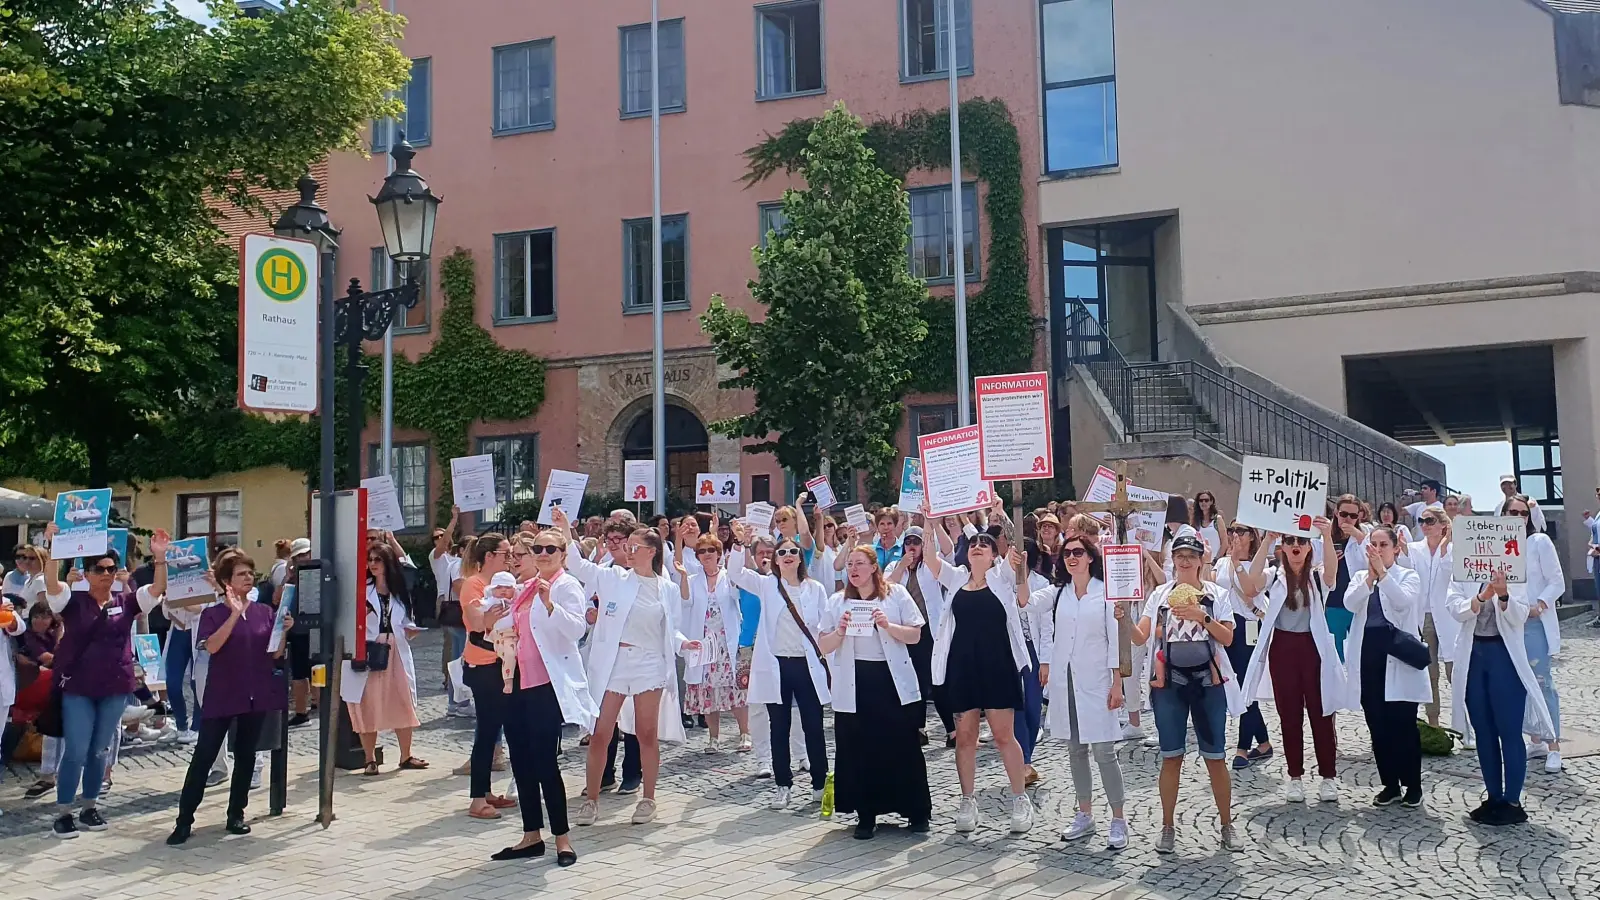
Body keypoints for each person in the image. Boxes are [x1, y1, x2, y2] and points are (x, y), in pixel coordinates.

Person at [560, 510, 698, 826]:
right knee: (600, 732)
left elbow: (671, 629)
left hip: (649, 663)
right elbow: (579, 566)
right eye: (628, 546)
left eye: (635, 546)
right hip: (614, 663)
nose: (628, 551)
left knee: (646, 733)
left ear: (651, 551)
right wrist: (566, 531)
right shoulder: (612, 578)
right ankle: (591, 801)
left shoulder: (667, 588)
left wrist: (684, 644)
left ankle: (648, 798)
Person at [41, 524, 169, 838]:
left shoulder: (125, 602)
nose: (107, 574)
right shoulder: (73, 601)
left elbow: (155, 591)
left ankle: (90, 806)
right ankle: (64, 811)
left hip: (114, 686)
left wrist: (160, 558)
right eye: (100, 569)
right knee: (76, 749)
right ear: (86, 573)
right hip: (79, 688)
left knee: (100, 750)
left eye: (112, 569)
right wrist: (54, 545)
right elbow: (51, 584)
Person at [487, 528, 596, 866]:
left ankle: (562, 838)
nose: (543, 553)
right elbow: (504, 627)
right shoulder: (525, 589)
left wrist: (550, 604)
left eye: (551, 548)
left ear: (563, 553)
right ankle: (531, 834)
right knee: (520, 760)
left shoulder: (565, 586)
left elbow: (577, 630)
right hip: (514, 682)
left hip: (547, 684)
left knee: (546, 762)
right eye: (538, 548)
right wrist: (491, 618)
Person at [1131, 532, 1243, 853]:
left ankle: (1226, 824)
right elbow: (1141, 637)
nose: (1184, 560)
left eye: (1191, 556)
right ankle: (1167, 826)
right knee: (1171, 756)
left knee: (1215, 757)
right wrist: (1124, 618)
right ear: (1173, 560)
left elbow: (1228, 637)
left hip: (1208, 682)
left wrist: (1201, 616)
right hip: (1170, 683)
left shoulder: (1216, 594)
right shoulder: (1160, 594)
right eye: (1179, 555)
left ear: (1200, 560)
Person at [167, 552, 289, 845]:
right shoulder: (213, 613)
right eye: (241, 574)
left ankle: (236, 814)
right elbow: (213, 646)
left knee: (246, 755)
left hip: (256, 692)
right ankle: (184, 820)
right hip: (223, 692)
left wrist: (284, 632)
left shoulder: (264, 612)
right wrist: (234, 613)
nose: (248, 578)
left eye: (250, 573)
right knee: (204, 756)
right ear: (226, 582)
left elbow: (275, 654)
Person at [922, 519, 1034, 835]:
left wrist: (1002, 516)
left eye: (985, 543)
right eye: (974, 543)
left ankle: (1019, 799)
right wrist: (930, 524)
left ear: (993, 553)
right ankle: (968, 800)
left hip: (998, 666)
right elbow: (931, 560)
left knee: (1003, 736)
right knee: (965, 737)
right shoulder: (957, 578)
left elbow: (1018, 549)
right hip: (963, 668)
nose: (978, 546)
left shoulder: (1002, 576)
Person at [817, 547, 931, 839]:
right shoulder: (837, 601)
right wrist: (840, 632)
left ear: (873, 567)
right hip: (855, 681)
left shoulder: (894, 594)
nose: (854, 569)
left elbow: (916, 634)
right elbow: (824, 645)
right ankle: (865, 814)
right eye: (850, 564)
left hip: (890, 680)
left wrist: (887, 625)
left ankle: (914, 811)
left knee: (901, 744)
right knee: (858, 748)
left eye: (860, 564)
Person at [1241, 523, 1347, 803]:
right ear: (1283, 548)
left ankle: (1328, 777)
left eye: (1301, 541)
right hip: (1283, 648)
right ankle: (1295, 776)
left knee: (1321, 714)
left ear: (1309, 546)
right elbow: (1251, 583)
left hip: (1314, 648)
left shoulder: (1316, 577)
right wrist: (1267, 539)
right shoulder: (1274, 575)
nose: (1296, 546)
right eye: (1289, 541)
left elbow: (1332, 574)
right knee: (1289, 716)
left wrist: (1325, 534)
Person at [728, 525, 832, 810]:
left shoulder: (815, 589)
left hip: (807, 666)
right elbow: (736, 574)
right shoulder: (766, 584)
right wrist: (739, 543)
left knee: (813, 725)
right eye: (781, 552)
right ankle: (783, 785)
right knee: (779, 727)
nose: (787, 556)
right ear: (774, 559)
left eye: (792, 552)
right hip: (777, 666)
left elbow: (825, 627)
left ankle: (819, 783)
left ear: (800, 558)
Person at [1037, 536, 1129, 850]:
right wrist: (1017, 570)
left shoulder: (1104, 594)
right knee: (1075, 750)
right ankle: (1085, 813)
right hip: (1067, 682)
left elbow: (1115, 639)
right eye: (1067, 554)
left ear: (1090, 557)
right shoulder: (1058, 593)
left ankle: (1118, 818)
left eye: (1078, 552)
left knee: (1104, 751)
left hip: (1097, 681)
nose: (1072, 558)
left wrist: (1117, 682)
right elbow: (1026, 603)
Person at [1328, 520, 1427, 809]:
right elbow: (1349, 603)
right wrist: (1370, 578)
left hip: (1398, 654)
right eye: (1375, 545)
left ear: (1396, 549)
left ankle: (1413, 784)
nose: (1379, 550)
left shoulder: (1408, 575)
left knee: (1403, 724)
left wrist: (1383, 574)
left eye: (1385, 545)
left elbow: (1402, 603)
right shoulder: (1361, 576)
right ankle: (1390, 784)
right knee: (1377, 723)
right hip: (1369, 654)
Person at [1447, 568, 1556, 826]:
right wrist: (1482, 597)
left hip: (1504, 656)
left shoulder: (1514, 570)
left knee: (1509, 729)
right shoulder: (1462, 569)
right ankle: (1494, 796)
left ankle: (1512, 800)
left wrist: (1504, 595)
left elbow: (1520, 615)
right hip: (1474, 655)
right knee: (1483, 729)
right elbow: (1455, 608)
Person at [349, 543, 427, 776]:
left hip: (397, 648)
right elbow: (351, 619)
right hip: (371, 648)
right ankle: (370, 759)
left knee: (403, 699)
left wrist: (410, 629)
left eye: (377, 560)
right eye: (370, 560)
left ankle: (406, 755)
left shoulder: (400, 590)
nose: (372, 564)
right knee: (367, 702)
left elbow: (405, 618)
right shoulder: (363, 589)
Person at [459, 534, 518, 819]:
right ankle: (476, 799)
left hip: (497, 663)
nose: (510, 558)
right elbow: (476, 623)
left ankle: (484, 793)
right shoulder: (475, 584)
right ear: (489, 556)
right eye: (505, 553)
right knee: (487, 732)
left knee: (492, 730)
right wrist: (492, 618)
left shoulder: (503, 584)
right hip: (483, 665)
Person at [1505, 495, 1565, 773]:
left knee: (1541, 681)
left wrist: (1539, 605)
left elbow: (1557, 581)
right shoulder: (1498, 547)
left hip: (1532, 622)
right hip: (1507, 623)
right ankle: (1536, 739)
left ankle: (1554, 744)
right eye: (1512, 513)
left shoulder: (1539, 542)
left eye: (1522, 513)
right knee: (1517, 685)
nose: (1518, 518)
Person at [676, 535, 748, 752]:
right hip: (705, 645)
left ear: (718, 553)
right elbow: (685, 602)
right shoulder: (693, 579)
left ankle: (745, 733)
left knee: (735, 690)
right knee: (707, 692)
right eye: (702, 551)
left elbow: (738, 596)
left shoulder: (729, 577)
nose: (706, 555)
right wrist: (682, 576)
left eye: (710, 550)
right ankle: (713, 737)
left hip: (728, 643)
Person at [886, 525, 954, 746]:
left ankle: (951, 730)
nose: (912, 547)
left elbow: (948, 549)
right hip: (908, 632)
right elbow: (885, 589)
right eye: (908, 543)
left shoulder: (930, 567)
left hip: (932, 631)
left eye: (916, 543)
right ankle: (919, 727)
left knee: (938, 679)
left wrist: (931, 521)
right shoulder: (895, 567)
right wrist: (902, 567)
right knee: (915, 680)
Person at [1213, 523, 1273, 770]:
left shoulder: (1261, 565)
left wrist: (1237, 561)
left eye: (1240, 531)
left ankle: (1242, 748)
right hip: (1228, 626)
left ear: (1252, 536)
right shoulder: (1222, 562)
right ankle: (1264, 743)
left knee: (1245, 687)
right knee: (1236, 684)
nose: (1235, 535)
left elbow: (1252, 588)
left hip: (1250, 625)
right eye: (1231, 530)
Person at [1398, 505, 1460, 736]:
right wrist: (1403, 551)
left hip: (1448, 615)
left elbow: (1449, 574)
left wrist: (1444, 549)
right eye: (1422, 521)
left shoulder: (1455, 550)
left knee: (1455, 670)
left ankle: (1463, 722)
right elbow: (1406, 572)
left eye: (1430, 521)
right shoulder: (1414, 549)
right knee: (1428, 670)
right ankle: (1433, 723)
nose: (1424, 525)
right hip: (1422, 616)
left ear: (1443, 525)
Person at [431, 508, 468, 718]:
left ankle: (455, 696)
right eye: (436, 537)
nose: (440, 540)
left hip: (451, 606)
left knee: (455, 650)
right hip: (449, 605)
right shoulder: (437, 557)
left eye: (441, 535)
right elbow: (459, 587)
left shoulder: (452, 560)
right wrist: (454, 519)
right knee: (456, 651)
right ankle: (456, 698)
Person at [1192, 492, 1223, 559]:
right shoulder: (1195, 522)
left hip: (1214, 564)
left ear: (1211, 502)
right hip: (1200, 563)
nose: (1203, 502)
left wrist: (1215, 561)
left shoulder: (1217, 519)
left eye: (1206, 500)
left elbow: (1224, 544)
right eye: (1201, 500)